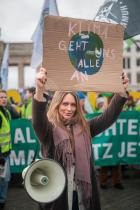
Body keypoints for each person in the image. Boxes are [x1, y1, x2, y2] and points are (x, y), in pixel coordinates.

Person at [32, 67, 129, 210]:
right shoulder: (48, 130)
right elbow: (37, 121)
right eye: (65, 104)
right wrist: (39, 90)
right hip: (58, 196)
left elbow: (108, 117)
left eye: (73, 105)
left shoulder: (85, 128)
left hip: (82, 195)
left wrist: (121, 91)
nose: (69, 109)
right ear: (57, 105)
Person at [0, 90, 12, 210]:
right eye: (1, 97)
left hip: (5, 152)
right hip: (1, 155)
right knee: (4, 179)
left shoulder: (6, 111)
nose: (3, 99)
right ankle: (1, 202)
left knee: (4, 178)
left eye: (5, 97)